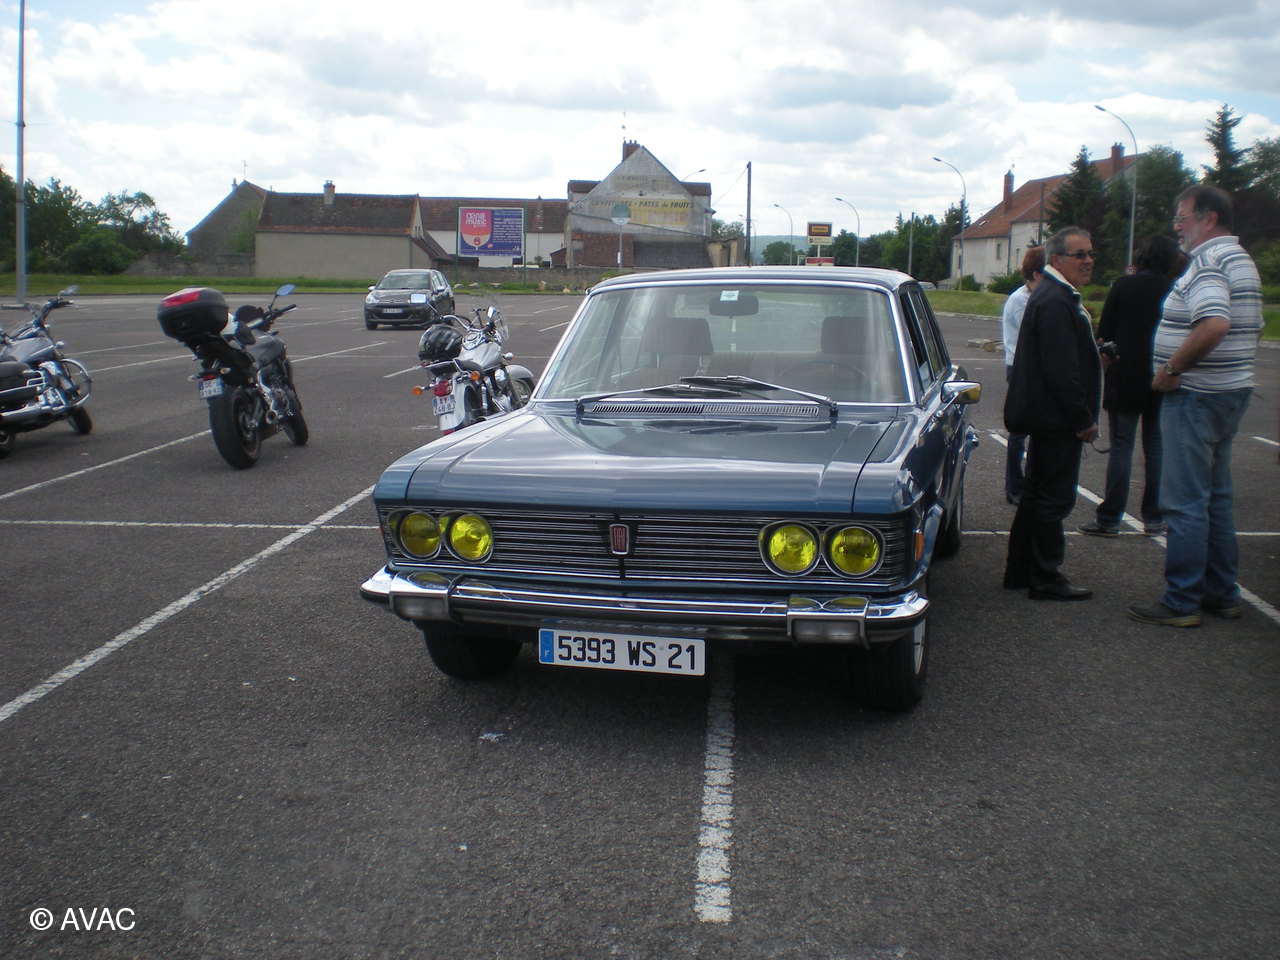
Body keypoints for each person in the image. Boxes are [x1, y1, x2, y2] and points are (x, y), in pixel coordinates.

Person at [1128, 185, 1263, 628]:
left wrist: (1172, 367)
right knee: (1215, 499)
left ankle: (1181, 599)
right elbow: (1250, 325)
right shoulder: (1240, 259)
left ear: (1208, 219)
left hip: (1196, 395)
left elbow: (1215, 323)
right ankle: (1221, 593)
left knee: (1184, 501)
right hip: (1228, 391)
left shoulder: (1208, 262)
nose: (1177, 228)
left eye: (1181, 217)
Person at [1002, 226, 1101, 601]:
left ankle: (1020, 570)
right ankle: (1045, 576)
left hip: (1046, 414)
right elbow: (1061, 370)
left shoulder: (1050, 295)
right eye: (1080, 254)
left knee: (1035, 493)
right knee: (1053, 499)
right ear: (1056, 260)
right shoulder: (1057, 300)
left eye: (1090, 253)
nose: (1088, 261)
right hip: (1057, 418)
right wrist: (1083, 419)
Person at [1079, 236, 1183, 538]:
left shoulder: (1124, 286)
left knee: (1122, 447)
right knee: (1156, 448)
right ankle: (1154, 517)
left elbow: (1105, 332)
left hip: (1125, 372)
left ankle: (1110, 518)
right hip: (1161, 371)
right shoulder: (1174, 288)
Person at [1001, 246, 1045, 505]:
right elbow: (1034, 338)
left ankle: (1030, 482)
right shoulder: (1021, 301)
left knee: (1037, 427)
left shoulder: (1034, 297)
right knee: (1020, 429)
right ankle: (1014, 486)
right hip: (1021, 368)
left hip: (1031, 367)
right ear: (1037, 274)